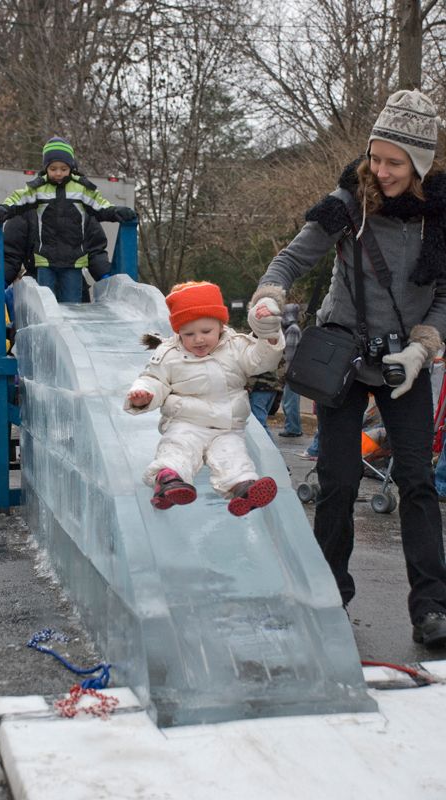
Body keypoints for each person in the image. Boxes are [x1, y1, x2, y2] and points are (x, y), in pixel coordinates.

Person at [249, 89, 446, 648]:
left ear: (420, 165)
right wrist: (268, 296)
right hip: (341, 353)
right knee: (337, 479)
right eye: (375, 157)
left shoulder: (441, 217)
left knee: (416, 482)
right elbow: (291, 259)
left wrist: (422, 347)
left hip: (402, 365)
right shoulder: (347, 202)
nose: (379, 171)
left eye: (394, 162)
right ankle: (330, 592)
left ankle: (431, 606)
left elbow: (444, 295)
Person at [124, 281, 285, 516]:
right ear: (178, 332)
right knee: (179, 448)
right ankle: (169, 480)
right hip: (186, 421)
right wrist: (143, 394)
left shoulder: (235, 347)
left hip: (227, 427)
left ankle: (243, 488)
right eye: (189, 334)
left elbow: (262, 360)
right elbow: (153, 379)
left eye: (206, 332)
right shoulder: (169, 354)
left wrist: (268, 336)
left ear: (220, 325)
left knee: (233, 455)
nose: (198, 339)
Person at [0, 136, 136, 303]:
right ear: (46, 168)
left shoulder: (81, 190)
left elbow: (100, 206)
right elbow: (17, 200)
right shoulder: (38, 189)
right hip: (45, 260)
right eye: (53, 169)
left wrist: (117, 212)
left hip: (74, 261)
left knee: (72, 304)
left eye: (63, 169)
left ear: (71, 167)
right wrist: (2, 209)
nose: (58, 173)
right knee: (46, 303)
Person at [278, 303, 303, 438]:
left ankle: (293, 428)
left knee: (290, 401)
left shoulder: (292, 329)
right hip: (293, 371)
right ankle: (293, 427)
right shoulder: (292, 328)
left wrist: (285, 373)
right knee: (289, 400)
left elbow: (289, 355)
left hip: (291, 372)